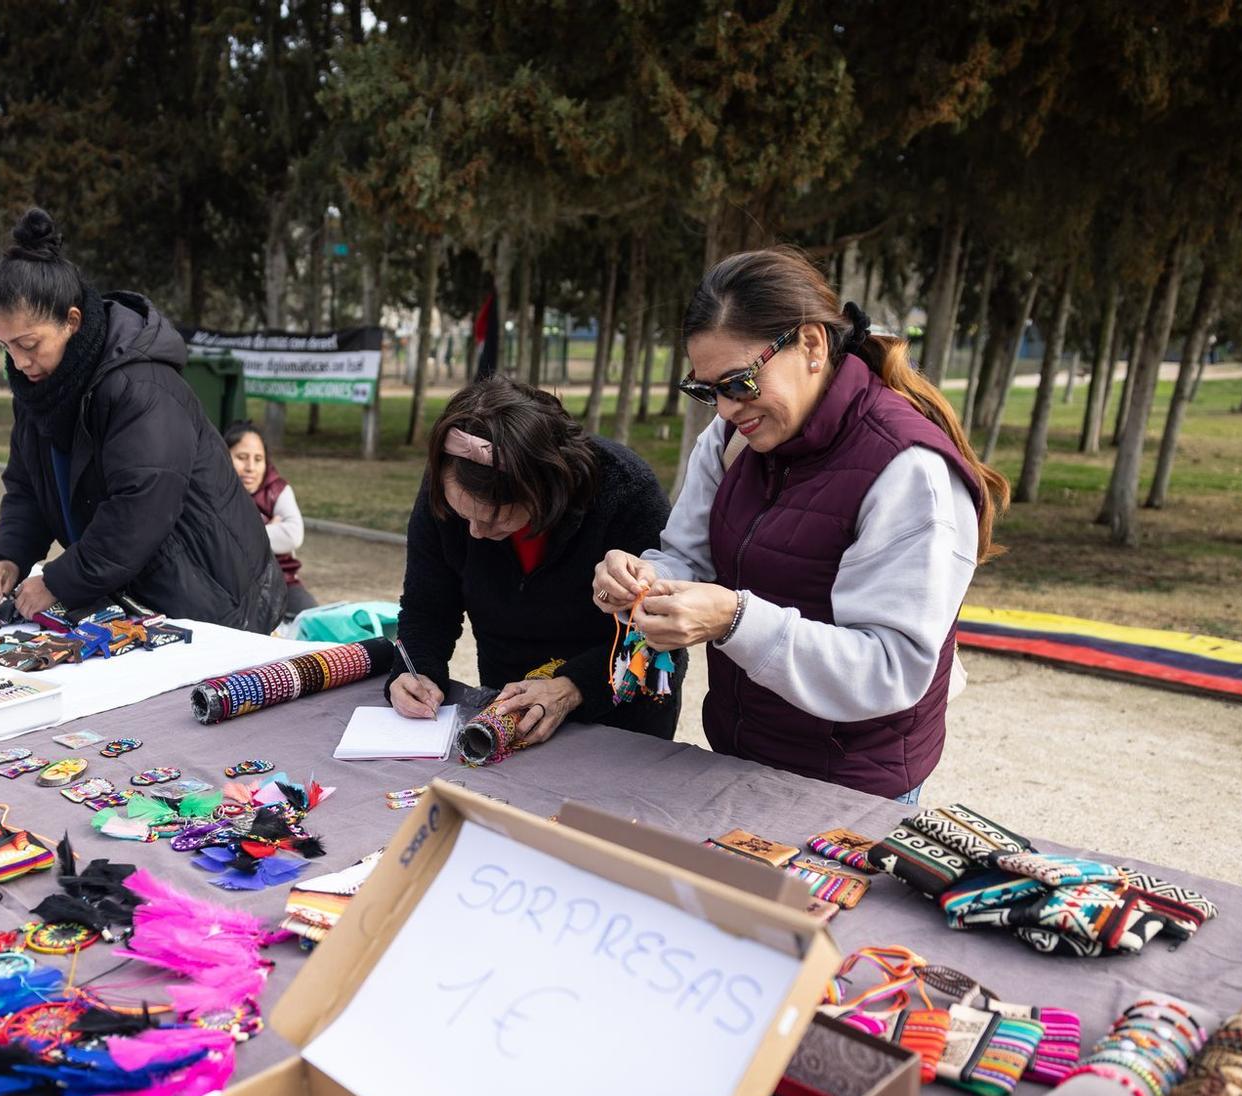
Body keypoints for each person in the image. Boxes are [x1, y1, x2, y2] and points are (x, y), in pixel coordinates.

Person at [593, 246, 1011, 801]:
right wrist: (643, 577)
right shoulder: (730, 440)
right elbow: (689, 560)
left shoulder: (909, 472)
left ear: (812, 345)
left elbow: (892, 669)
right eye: (706, 389)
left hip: (855, 786)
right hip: (741, 757)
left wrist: (734, 620)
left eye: (739, 382)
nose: (723, 408)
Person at [0, 209, 283, 631]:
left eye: (28, 343)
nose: (19, 361)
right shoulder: (38, 389)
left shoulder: (141, 385)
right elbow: (29, 488)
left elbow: (141, 505)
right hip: (139, 590)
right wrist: (9, 552)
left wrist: (60, 580)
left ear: (72, 321)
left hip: (216, 598)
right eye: (5, 346)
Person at [392, 376, 680, 747]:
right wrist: (417, 670)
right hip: (510, 712)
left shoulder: (626, 491)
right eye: (465, 516)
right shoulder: (450, 486)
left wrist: (573, 687)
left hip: (622, 723)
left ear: (544, 490)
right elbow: (427, 605)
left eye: (496, 518)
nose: (476, 532)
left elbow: (658, 636)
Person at [223, 420, 317, 618]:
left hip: (282, 581)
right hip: (230, 586)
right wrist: (268, 528)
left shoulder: (278, 490)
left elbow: (292, 536)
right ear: (224, 457)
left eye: (258, 459)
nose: (250, 467)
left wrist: (241, 534)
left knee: (312, 619)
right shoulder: (215, 494)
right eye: (241, 457)